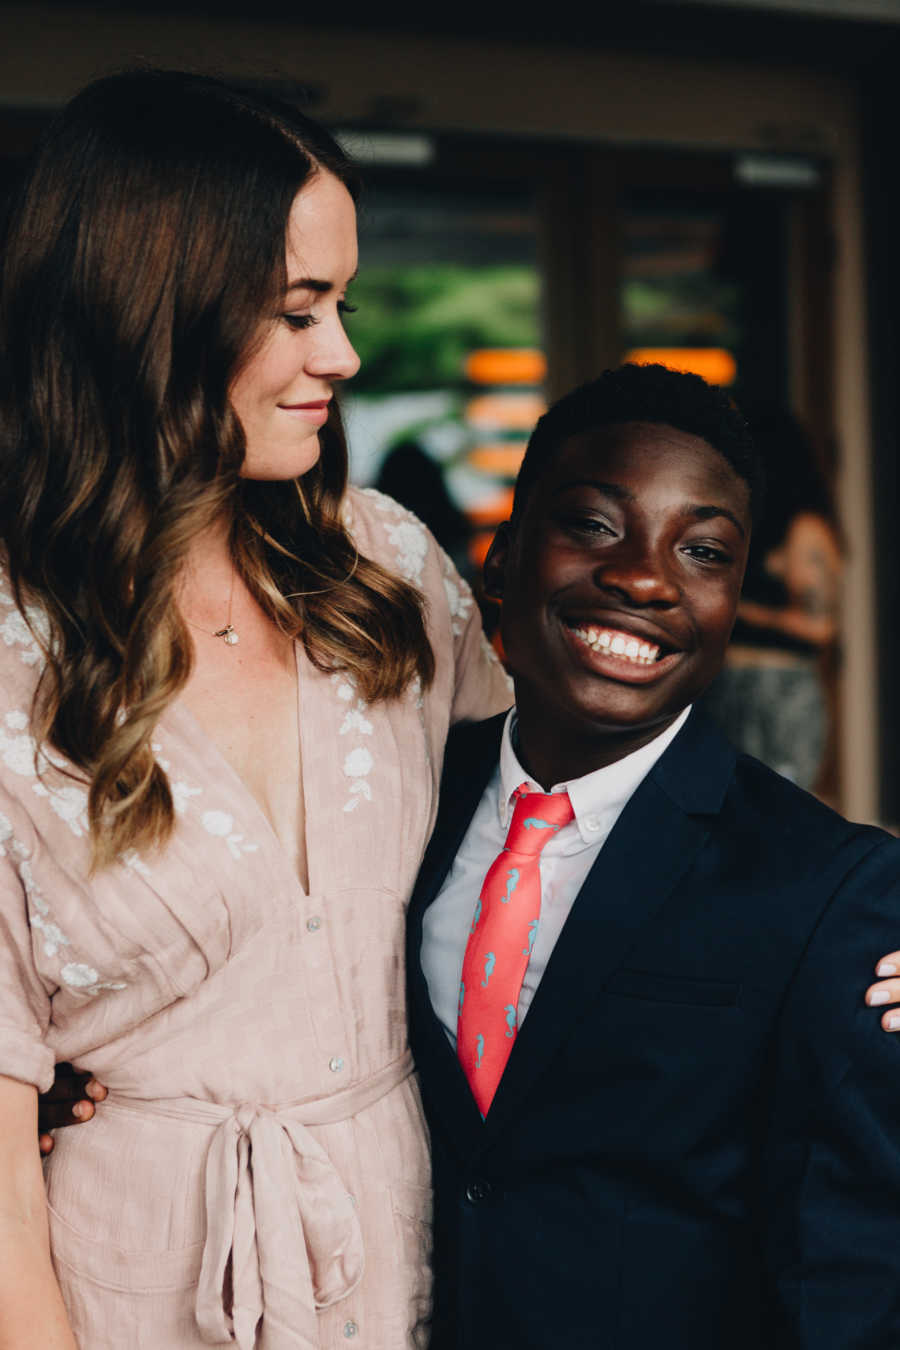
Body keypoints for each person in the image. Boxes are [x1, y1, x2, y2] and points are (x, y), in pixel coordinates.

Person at [0, 70, 511, 1349]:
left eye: (340, 304)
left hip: (406, 1255)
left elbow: (580, 830)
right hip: (124, 1282)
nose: (342, 354)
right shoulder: (12, 654)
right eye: (296, 312)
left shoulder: (385, 567)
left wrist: (848, 928)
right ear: (149, 317)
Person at [403, 363, 900, 1348]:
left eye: (704, 550)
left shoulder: (825, 889)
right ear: (497, 565)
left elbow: (851, 1270)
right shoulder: (397, 807)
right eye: (594, 524)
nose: (644, 576)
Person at [703, 405, 842, 791]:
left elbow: (821, 627)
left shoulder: (806, 528)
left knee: (776, 820)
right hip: (726, 685)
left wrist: (741, 612)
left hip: (779, 693)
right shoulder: (743, 522)